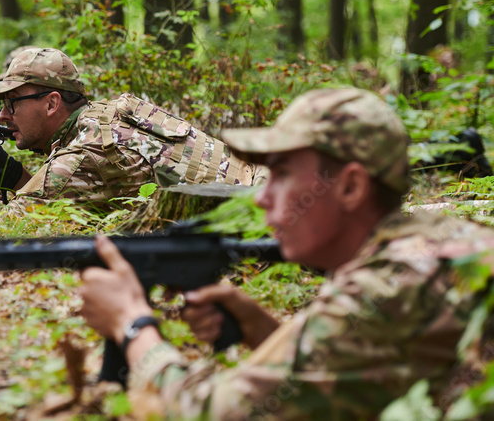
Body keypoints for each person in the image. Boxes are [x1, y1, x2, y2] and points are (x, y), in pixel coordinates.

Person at [79, 87, 494, 418]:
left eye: (281, 174)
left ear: (350, 187)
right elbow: (351, 376)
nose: (262, 199)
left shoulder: (383, 288)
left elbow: (214, 414)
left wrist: (132, 324)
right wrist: (264, 332)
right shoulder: (440, 239)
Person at [0, 47, 265, 219]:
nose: (3, 115)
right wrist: (15, 176)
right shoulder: (112, 113)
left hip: (259, 225)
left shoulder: (81, 156)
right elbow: (89, 192)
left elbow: (2, 230)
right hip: (263, 186)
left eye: (12, 103)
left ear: (51, 104)